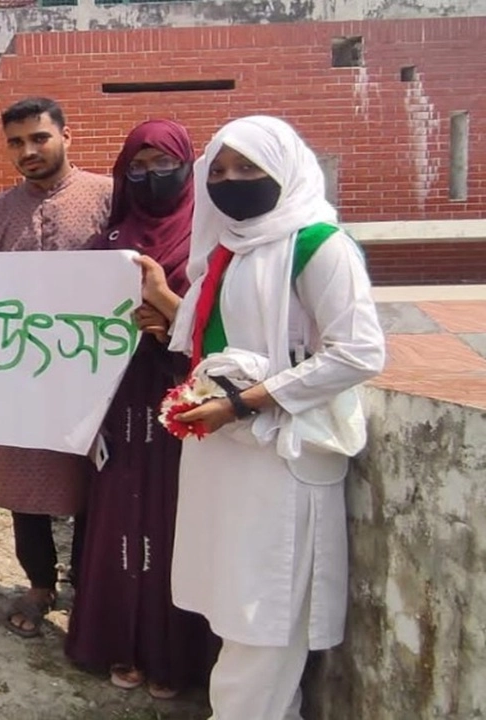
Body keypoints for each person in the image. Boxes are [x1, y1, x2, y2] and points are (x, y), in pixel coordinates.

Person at [136, 116, 385, 719]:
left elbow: (359, 352)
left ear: (286, 171)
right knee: (234, 601)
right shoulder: (227, 250)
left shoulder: (318, 245)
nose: (231, 182)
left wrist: (243, 402)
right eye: (218, 171)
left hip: (280, 456)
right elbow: (224, 332)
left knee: (264, 612)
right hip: (226, 453)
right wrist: (170, 320)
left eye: (249, 169)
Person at [64, 119, 215, 698]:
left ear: (188, 165)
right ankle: (117, 644)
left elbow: (224, 329)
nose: (151, 175)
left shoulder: (208, 242)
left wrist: (169, 313)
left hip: (182, 405)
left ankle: (171, 654)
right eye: (138, 165)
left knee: (174, 525)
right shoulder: (110, 240)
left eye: (163, 162)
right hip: (118, 403)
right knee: (117, 523)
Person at [0, 96, 112, 638]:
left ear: (65, 136)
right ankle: (38, 583)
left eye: (39, 138)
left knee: (98, 481)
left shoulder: (107, 198)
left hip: (95, 373)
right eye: (16, 142)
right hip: (20, 374)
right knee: (26, 483)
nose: (28, 150)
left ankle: (91, 587)